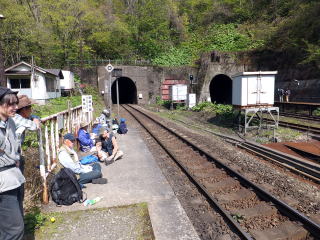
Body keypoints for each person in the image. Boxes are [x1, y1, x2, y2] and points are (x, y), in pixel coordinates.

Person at [0, 87, 25, 240]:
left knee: (9, 227)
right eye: (10, 104)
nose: (15, 107)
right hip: (3, 183)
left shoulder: (11, 123)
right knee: (14, 230)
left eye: (16, 104)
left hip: (14, 177)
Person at [12, 95, 40, 215]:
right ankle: (18, 215)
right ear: (24, 110)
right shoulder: (16, 118)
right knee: (17, 188)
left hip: (15, 156)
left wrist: (33, 117)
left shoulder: (20, 117)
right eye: (30, 108)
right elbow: (34, 126)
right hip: (13, 158)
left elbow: (33, 118)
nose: (31, 110)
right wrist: (35, 121)